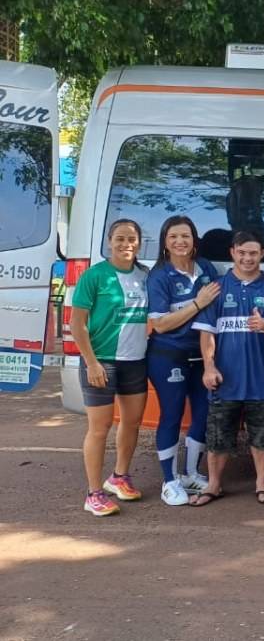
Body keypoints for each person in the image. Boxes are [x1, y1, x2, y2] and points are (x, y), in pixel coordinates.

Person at [191, 232, 264, 506]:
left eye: (253, 253)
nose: (248, 258)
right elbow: (207, 333)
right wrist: (209, 367)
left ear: (262, 255)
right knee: (218, 436)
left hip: (263, 379)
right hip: (226, 379)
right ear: (233, 253)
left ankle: (262, 483)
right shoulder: (217, 289)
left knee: (262, 436)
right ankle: (213, 485)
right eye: (242, 253)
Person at [74, 219, 150, 516]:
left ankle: (119, 477)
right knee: (99, 429)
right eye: (120, 238)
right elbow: (77, 324)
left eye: (131, 239)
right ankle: (93, 493)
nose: (126, 244)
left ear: (139, 243)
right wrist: (91, 362)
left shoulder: (144, 275)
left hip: (135, 360)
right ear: (109, 242)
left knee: (131, 423)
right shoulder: (95, 276)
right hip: (101, 361)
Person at [146, 216, 221, 506]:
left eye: (186, 236)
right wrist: (198, 303)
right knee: (172, 415)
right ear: (165, 242)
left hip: (202, 355)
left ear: (194, 240)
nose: (180, 242)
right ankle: (169, 480)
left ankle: (191, 473)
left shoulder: (206, 269)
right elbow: (162, 324)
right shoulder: (160, 276)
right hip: (168, 355)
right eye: (174, 236)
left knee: (202, 414)